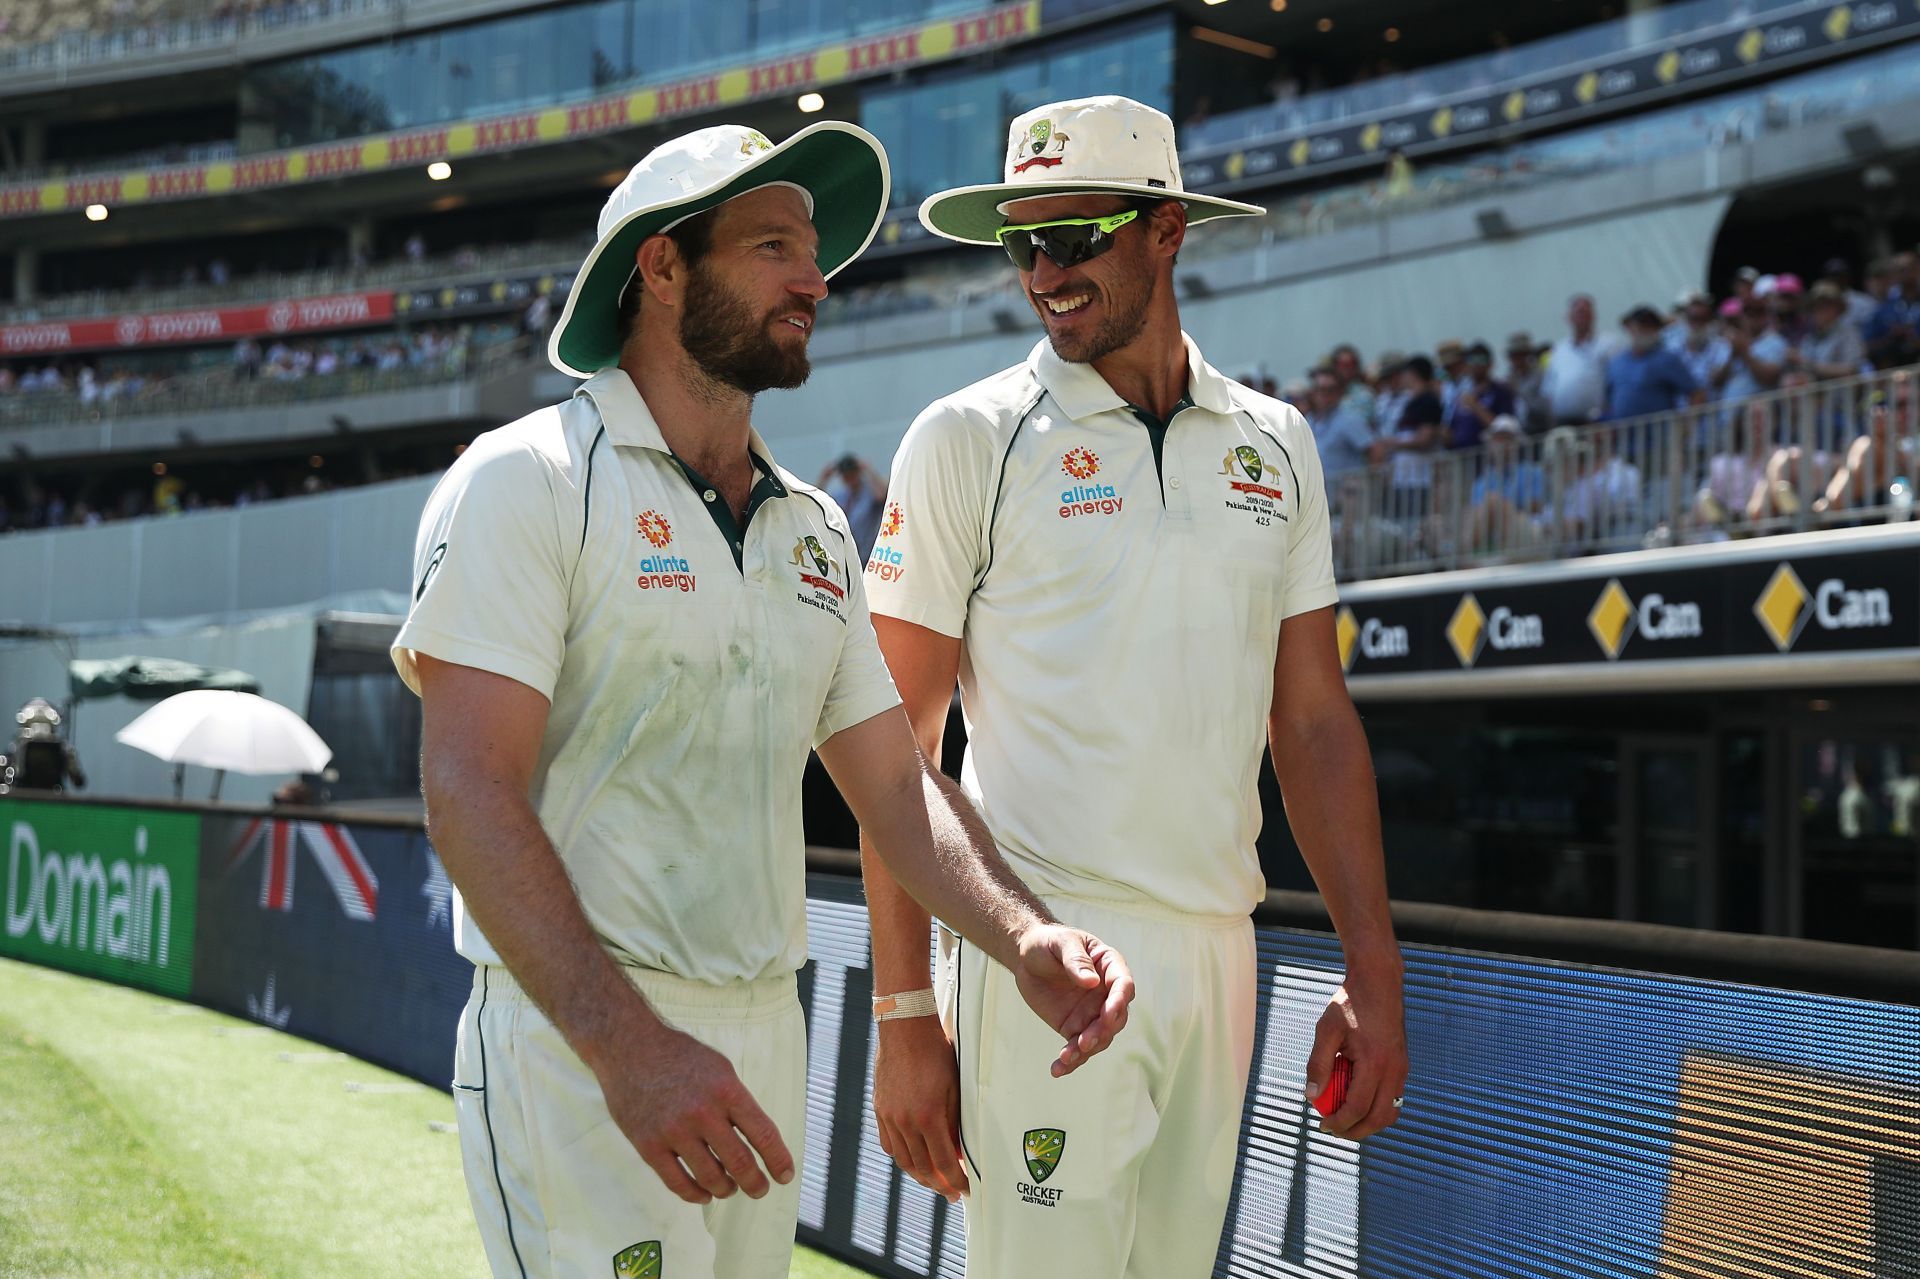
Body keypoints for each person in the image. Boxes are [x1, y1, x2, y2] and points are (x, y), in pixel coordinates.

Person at [392, 121, 1135, 1279]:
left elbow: (894, 784)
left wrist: (1021, 934)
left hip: (760, 1036)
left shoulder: (814, 525)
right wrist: (629, 1047)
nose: (813, 278)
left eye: (815, 249)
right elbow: (465, 791)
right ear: (663, 267)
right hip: (580, 1042)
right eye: (773, 245)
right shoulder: (524, 480)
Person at [863, 95, 1407, 1278]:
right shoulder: (964, 437)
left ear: (1167, 229)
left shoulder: (1277, 441)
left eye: (1078, 236)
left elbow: (1312, 723)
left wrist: (1374, 970)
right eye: (1022, 242)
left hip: (1221, 953)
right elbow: (890, 749)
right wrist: (906, 1016)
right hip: (1043, 955)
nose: (1044, 272)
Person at [1605, 305, 1698, 420]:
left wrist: (1686, 428)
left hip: (1657, 435)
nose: (1645, 331)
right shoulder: (1616, 362)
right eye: (1641, 325)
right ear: (1629, 328)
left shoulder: (1667, 360)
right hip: (1622, 435)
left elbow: (1696, 394)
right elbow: (1607, 400)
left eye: (1651, 326)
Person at [1541, 294, 1617, 425]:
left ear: (1593, 316)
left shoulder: (1608, 344)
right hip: (1563, 423)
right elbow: (1550, 390)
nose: (1582, 317)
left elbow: (1616, 382)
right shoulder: (1559, 350)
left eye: (1586, 313)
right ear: (1569, 318)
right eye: (1578, 313)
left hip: (1596, 421)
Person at [1304, 364, 1376, 475]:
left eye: (1331, 390)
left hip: (1344, 489)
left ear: (1340, 392)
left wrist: (1366, 481)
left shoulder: (1350, 420)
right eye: (1320, 389)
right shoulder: (1308, 420)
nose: (1325, 395)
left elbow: (1375, 451)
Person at [2, 698, 86, 793]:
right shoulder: (63, 747)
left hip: (25, 797)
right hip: (53, 796)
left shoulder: (17, 746)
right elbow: (78, 780)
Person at [815, 451, 887, 560]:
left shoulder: (870, 492)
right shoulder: (840, 495)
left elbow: (881, 495)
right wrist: (824, 477)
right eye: (846, 475)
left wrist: (868, 469)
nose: (849, 478)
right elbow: (817, 504)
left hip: (869, 553)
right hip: (849, 555)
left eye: (852, 474)